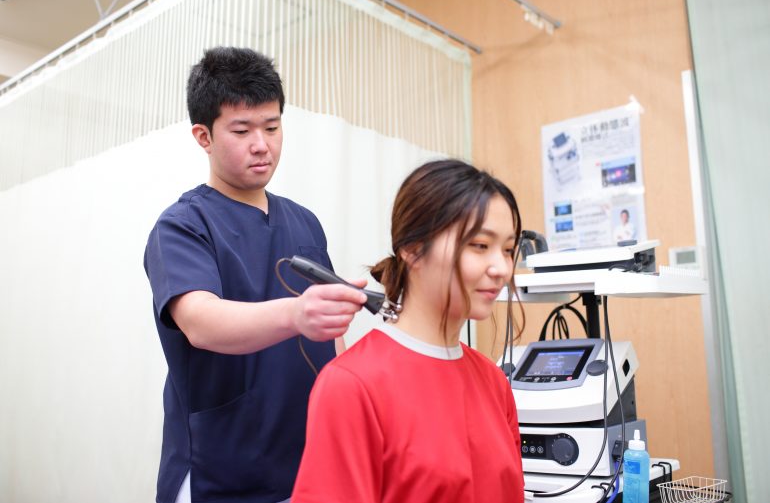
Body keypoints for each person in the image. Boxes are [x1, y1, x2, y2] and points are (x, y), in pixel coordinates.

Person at [143, 47, 366, 503]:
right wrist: (296, 314)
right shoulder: (183, 225)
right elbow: (202, 323)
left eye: (272, 126)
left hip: (307, 464)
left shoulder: (304, 221)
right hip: (221, 471)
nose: (262, 144)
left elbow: (329, 335)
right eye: (242, 130)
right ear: (203, 136)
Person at [292, 159, 526, 503]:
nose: (501, 268)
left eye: (508, 250)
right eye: (480, 245)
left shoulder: (494, 382)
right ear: (413, 250)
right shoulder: (350, 386)